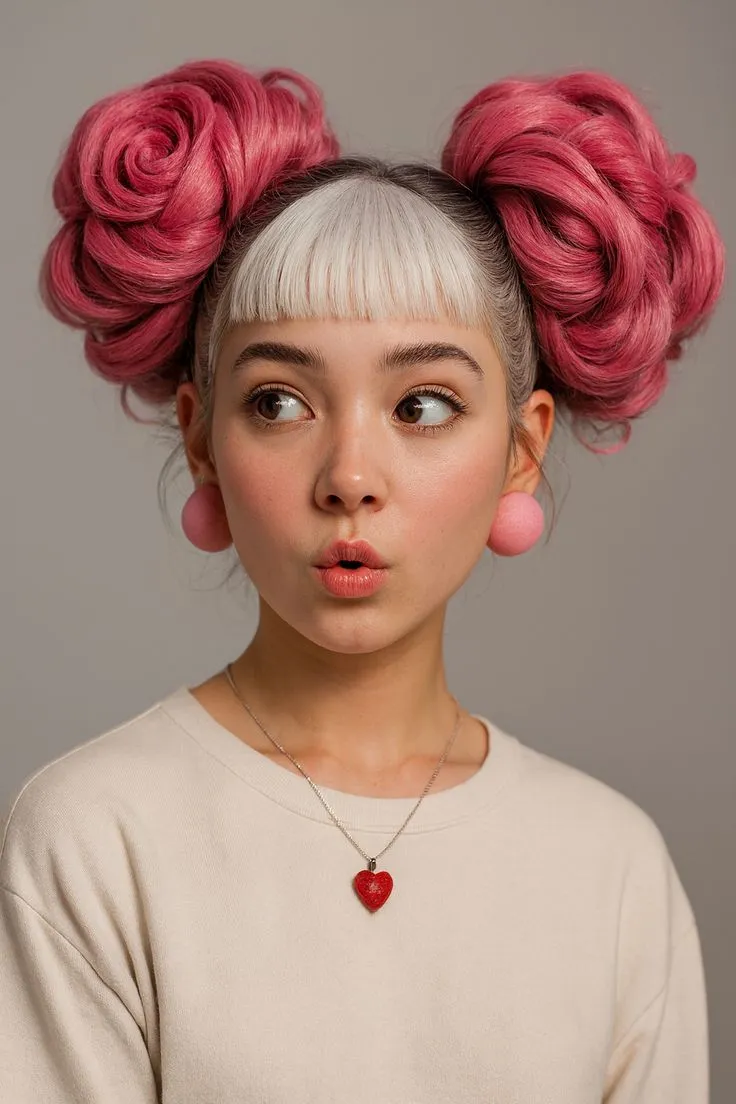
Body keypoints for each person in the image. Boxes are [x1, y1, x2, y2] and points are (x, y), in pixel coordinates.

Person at [0, 59, 725, 1103]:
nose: (348, 478)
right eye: (280, 403)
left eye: (422, 406)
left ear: (522, 451)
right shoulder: (91, 836)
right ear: (200, 439)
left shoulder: (610, 869)